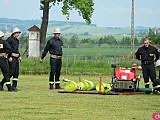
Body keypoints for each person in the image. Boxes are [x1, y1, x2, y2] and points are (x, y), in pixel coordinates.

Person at [5, 27, 22, 91]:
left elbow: (16, 50)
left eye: (19, 33)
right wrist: (9, 56)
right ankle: (2, 83)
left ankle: (14, 86)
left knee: (16, 72)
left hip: (16, 57)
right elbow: (7, 48)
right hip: (12, 58)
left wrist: (19, 56)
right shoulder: (9, 40)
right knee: (11, 72)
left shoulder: (17, 40)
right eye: (17, 33)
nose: (18, 34)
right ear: (14, 33)